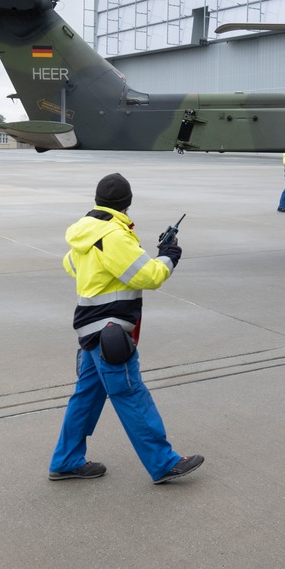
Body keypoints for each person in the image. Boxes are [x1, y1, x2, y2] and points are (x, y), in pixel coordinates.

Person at [48, 173, 204, 484]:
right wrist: (169, 254)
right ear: (127, 203)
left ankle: (66, 460)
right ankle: (163, 463)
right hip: (111, 330)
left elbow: (72, 265)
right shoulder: (113, 235)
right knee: (130, 393)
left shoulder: (85, 232)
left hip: (88, 331)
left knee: (86, 397)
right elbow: (149, 276)